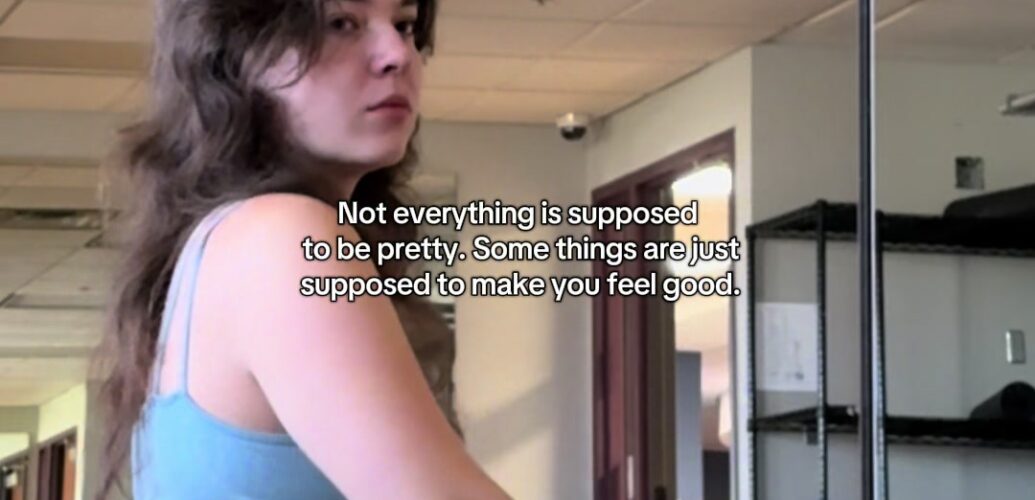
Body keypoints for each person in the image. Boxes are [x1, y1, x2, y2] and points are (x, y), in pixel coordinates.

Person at [94, 0, 511, 498]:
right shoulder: (281, 236)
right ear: (237, 57)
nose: (397, 54)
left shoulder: (232, 240)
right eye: (340, 24)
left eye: (404, 25)